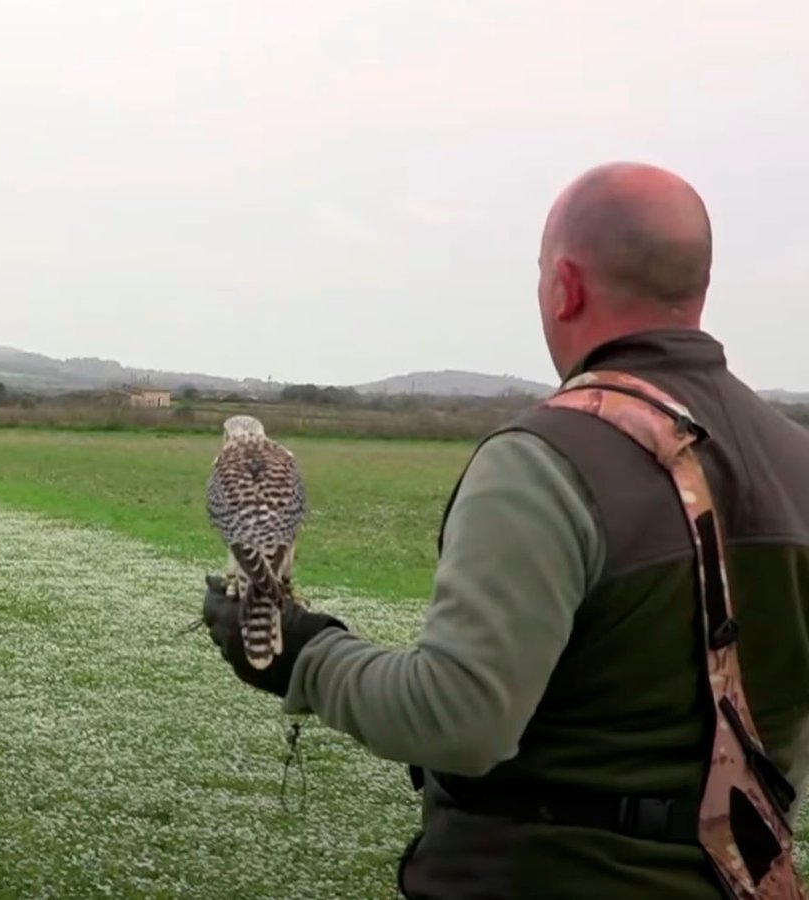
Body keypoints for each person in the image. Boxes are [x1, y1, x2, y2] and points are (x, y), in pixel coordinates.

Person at [201, 162, 809, 898]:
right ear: (700, 290)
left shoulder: (548, 460)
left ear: (565, 287)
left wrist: (304, 653)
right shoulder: (795, 459)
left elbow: (458, 722)